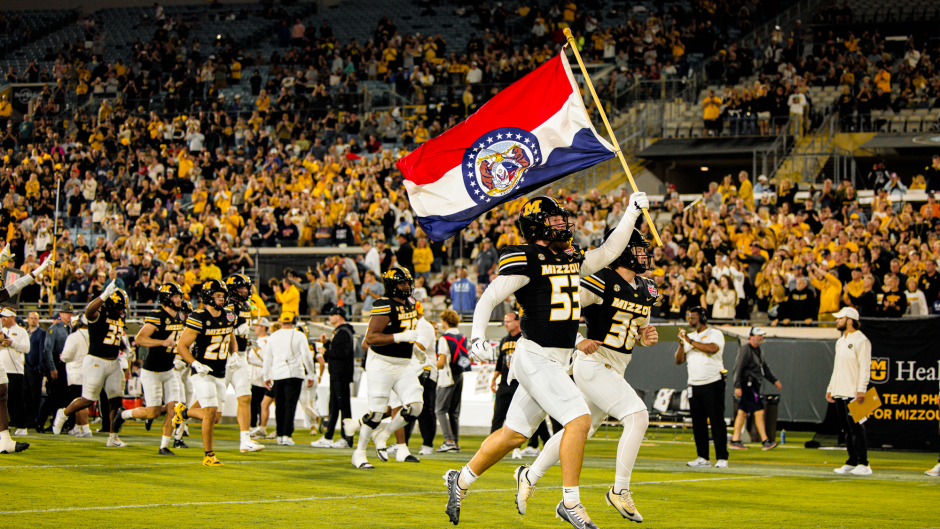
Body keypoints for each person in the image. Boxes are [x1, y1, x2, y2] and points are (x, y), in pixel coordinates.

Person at [444, 191, 648, 528]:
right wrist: (477, 335)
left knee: (513, 435)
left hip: (556, 359)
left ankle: (460, 480)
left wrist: (631, 213)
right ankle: (570, 501)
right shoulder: (525, 257)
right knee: (579, 419)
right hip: (535, 354)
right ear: (537, 226)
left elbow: (609, 251)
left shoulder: (569, 257)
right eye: (554, 219)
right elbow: (491, 296)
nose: (563, 224)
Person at [518, 228, 660, 522]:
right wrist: (577, 338)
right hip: (593, 362)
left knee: (582, 430)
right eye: (637, 248)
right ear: (622, 251)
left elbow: (635, 333)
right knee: (638, 416)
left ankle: (529, 474)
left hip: (617, 365)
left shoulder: (646, 288)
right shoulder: (601, 280)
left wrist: (644, 337)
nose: (643, 254)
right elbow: (559, 308)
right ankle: (619, 490)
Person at [342, 267, 424, 470]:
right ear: (391, 286)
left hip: (404, 364)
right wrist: (398, 337)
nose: (406, 286)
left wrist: (414, 350)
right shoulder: (383, 305)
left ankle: (385, 434)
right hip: (382, 363)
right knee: (377, 411)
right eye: (402, 283)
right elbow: (370, 338)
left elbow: (407, 332)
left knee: (415, 406)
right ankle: (359, 452)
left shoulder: (410, 304)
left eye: (407, 282)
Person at [51, 282, 130, 449]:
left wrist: (125, 347)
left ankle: (112, 436)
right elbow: (88, 311)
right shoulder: (98, 315)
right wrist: (102, 296)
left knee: (116, 400)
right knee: (88, 400)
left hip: (113, 362)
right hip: (96, 361)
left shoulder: (119, 318)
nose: (122, 311)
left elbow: (113, 337)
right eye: (120, 307)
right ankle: (64, 413)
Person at [113, 283, 186, 455]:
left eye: (179, 296)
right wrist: (161, 342)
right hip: (152, 370)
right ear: (167, 298)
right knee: (152, 412)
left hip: (169, 369)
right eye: (175, 296)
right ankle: (123, 414)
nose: (178, 299)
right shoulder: (156, 315)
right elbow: (139, 339)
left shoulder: (179, 316)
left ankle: (164, 446)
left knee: (174, 409)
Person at [171, 279, 237, 467]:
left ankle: (184, 411)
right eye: (217, 296)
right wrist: (195, 363)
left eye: (223, 296)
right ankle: (209, 455)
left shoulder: (229, 314)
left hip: (220, 371)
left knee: (215, 417)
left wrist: (234, 354)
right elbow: (181, 346)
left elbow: (231, 336)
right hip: (202, 371)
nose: (221, 299)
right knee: (210, 411)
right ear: (208, 297)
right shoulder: (199, 316)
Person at [676, 306, 729, 468]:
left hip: (712, 382)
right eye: (689, 318)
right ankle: (702, 457)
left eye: (693, 318)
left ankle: (722, 457)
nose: (690, 321)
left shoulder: (715, 334)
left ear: (703, 318)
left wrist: (690, 341)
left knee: (716, 421)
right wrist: (680, 344)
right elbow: (679, 361)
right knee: (698, 423)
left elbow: (712, 349)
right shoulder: (689, 336)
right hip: (694, 383)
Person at [221, 274, 265, 453]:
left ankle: (245, 440)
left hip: (241, 356)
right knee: (213, 406)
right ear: (232, 290)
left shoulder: (246, 305)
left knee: (245, 397)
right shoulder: (227, 305)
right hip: (225, 356)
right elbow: (220, 328)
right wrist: (235, 331)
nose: (245, 291)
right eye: (241, 288)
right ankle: (183, 415)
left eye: (246, 288)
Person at [827, 307, 873, 475]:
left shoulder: (862, 340)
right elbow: (837, 368)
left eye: (840, 318)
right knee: (846, 429)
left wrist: (861, 389)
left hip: (854, 392)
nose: (836, 321)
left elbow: (865, 368)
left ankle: (864, 463)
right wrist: (831, 388)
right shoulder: (840, 341)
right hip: (840, 391)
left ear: (850, 321)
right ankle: (852, 461)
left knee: (857, 427)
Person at [262, 312, 315, 446]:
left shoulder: (273, 336)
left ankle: (280, 434)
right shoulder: (299, 335)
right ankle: (287, 435)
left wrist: (266, 376)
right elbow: (307, 357)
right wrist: (311, 374)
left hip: (278, 375)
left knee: (279, 405)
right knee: (290, 405)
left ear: (280, 321)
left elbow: (267, 358)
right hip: (295, 374)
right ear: (294, 321)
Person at [728, 327, 782, 450]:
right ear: (751, 336)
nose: (760, 337)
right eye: (758, 335)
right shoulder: (746, 350)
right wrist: (737, 385)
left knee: (742, 413)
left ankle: (735, 440)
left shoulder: (758, 351)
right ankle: (765, 440)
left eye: (761, 335)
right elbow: (738, 368)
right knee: (759, 411)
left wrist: (774, 380)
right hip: (748, 385)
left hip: (754, 386)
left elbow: (765, 368)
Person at [311, 307, 356, 448]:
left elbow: (342, 353)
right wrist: (327, 344)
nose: (329, 318)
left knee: (343, 407)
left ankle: (346, 438)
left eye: (332, 315)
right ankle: (328, 436)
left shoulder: (343, 332)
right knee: (334, 407)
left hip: (340, 374)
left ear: (339, 316)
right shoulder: (342, 331)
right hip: (338, 374)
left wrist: (326, 351)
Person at [435, 309, 467, 453]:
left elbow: (442, 362)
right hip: (460, 375)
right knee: (454, 411)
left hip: (447, 376)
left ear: (445, 321)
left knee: (440, 410)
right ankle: (455, 442)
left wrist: (428, 365)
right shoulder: (463, 337)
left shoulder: (444, 338)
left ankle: (448, 440)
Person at [40, 302, 74, 430]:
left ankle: (62, 423)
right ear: (60, 314)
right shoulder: (54, 328)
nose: (69, 315)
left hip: (68, 365)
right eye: (66, 313)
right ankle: (42, 422)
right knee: (54, 396)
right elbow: (48, 350)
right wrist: (52, 368)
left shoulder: (72, 328)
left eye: (70, 313)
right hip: (57, 363)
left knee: (66, 396)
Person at [59, 315, 91, 437]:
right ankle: (77, 428)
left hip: (76, 373)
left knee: (79, 402)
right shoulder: (94, 336)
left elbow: (66, 356)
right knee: (84, 401)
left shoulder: (73, 336)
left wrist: (61, 356)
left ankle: (86, 429)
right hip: (90, 373)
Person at [0, 308, 30, 437]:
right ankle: (9, 423)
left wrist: (12, 343)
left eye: (6, 316)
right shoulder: (2, 331)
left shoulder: (21, 331)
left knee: (17, 399)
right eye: (2, 317)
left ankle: (22, 426)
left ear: (13, 317)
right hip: (2, 369)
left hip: (15, 370)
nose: (3, 319)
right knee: (5, 400)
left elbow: (27, 348)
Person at [490, 311, 521, 433]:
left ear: (517, 322)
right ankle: (491, 446)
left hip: (519, 384)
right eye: (505, 322)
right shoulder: (504, 340)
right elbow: (499, 362)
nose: (505, 324)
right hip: (504, 384)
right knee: (498, 416)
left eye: (508, 321)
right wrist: (494, 379)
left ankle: (533, 445)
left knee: (524, 417)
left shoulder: (524, 339)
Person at [247, 318, 271, 438]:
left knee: (259, 402)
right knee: (253, 402)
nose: (255, 328)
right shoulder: (258, 340)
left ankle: (260, 426)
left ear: (263, 327)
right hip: (253, 373)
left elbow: (266, 360)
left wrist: (257, 351)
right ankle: (252, 425)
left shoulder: (266, 342)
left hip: (260, 374)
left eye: (257, 326)